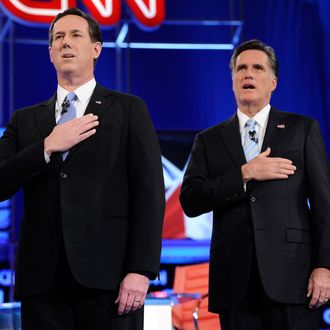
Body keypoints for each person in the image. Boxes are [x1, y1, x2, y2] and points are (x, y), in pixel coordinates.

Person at [0, 7, 165, 330]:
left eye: (76, 35)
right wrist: (46, 146)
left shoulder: (129, 109)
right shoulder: (25, 120)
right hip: (43, 284)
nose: (65, 43)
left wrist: (141, 269)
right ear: (50, 53)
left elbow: (150, 193)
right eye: (58, 37)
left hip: (112, 281)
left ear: (96, 49)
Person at [180, 39, 330, 330]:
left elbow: (325, 205)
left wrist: (325, 266)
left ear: (273, 82)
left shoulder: (301, 129)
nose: (248, 74)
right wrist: (245, 173)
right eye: (241, 68)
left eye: (258, 68)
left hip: (293, 280)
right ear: (233, 80)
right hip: (234, 283)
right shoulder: (209, 140)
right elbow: (191, 200)